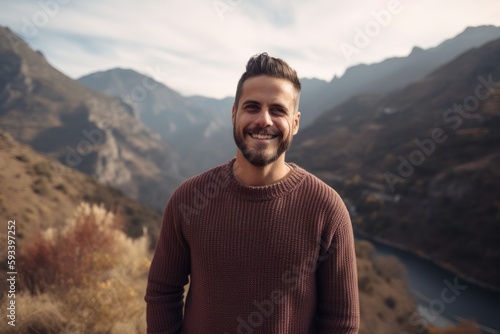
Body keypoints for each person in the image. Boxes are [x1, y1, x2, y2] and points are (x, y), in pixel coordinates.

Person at [145, 52, 360, 333]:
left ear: (295, 123)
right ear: (234, 114)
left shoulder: (326, 208)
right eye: (252, 107)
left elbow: (341, 321)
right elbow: (163, 292)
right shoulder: (188, 199)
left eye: (278, 110)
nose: (264, 120)